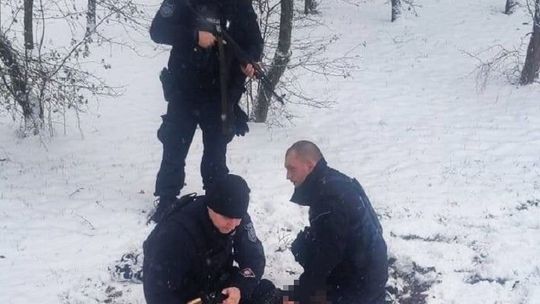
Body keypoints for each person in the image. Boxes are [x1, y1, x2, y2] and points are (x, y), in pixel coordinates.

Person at [149, 0, 264, 222]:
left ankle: (217, 199)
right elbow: (158, 31)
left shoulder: (239, 4)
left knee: (216, 154)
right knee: (174, 146)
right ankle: (166, 199)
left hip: (219, 92)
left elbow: (254, 42)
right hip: (184, 89)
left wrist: (247, 61)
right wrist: (194, 36)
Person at [143, 174, 280, 304]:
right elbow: (157, 293)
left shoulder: (236, 215)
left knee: (266, 293)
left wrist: (239, 288)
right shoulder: (176, 233)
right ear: (210, 207)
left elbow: (254, 258)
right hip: (187, 295)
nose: (232, 225)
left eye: (237, 218)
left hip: (218, 285)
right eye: (226, 218)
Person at [283, 141, 388, 304]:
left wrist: (299, 295)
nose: (288, 176)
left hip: (361, 283)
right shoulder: (334, 180)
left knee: (307, 251)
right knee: (303, 244)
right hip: (370, 269)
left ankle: (335, 295)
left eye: (291, 168)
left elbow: (327, 256)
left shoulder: (329, 199)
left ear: (310, 165)